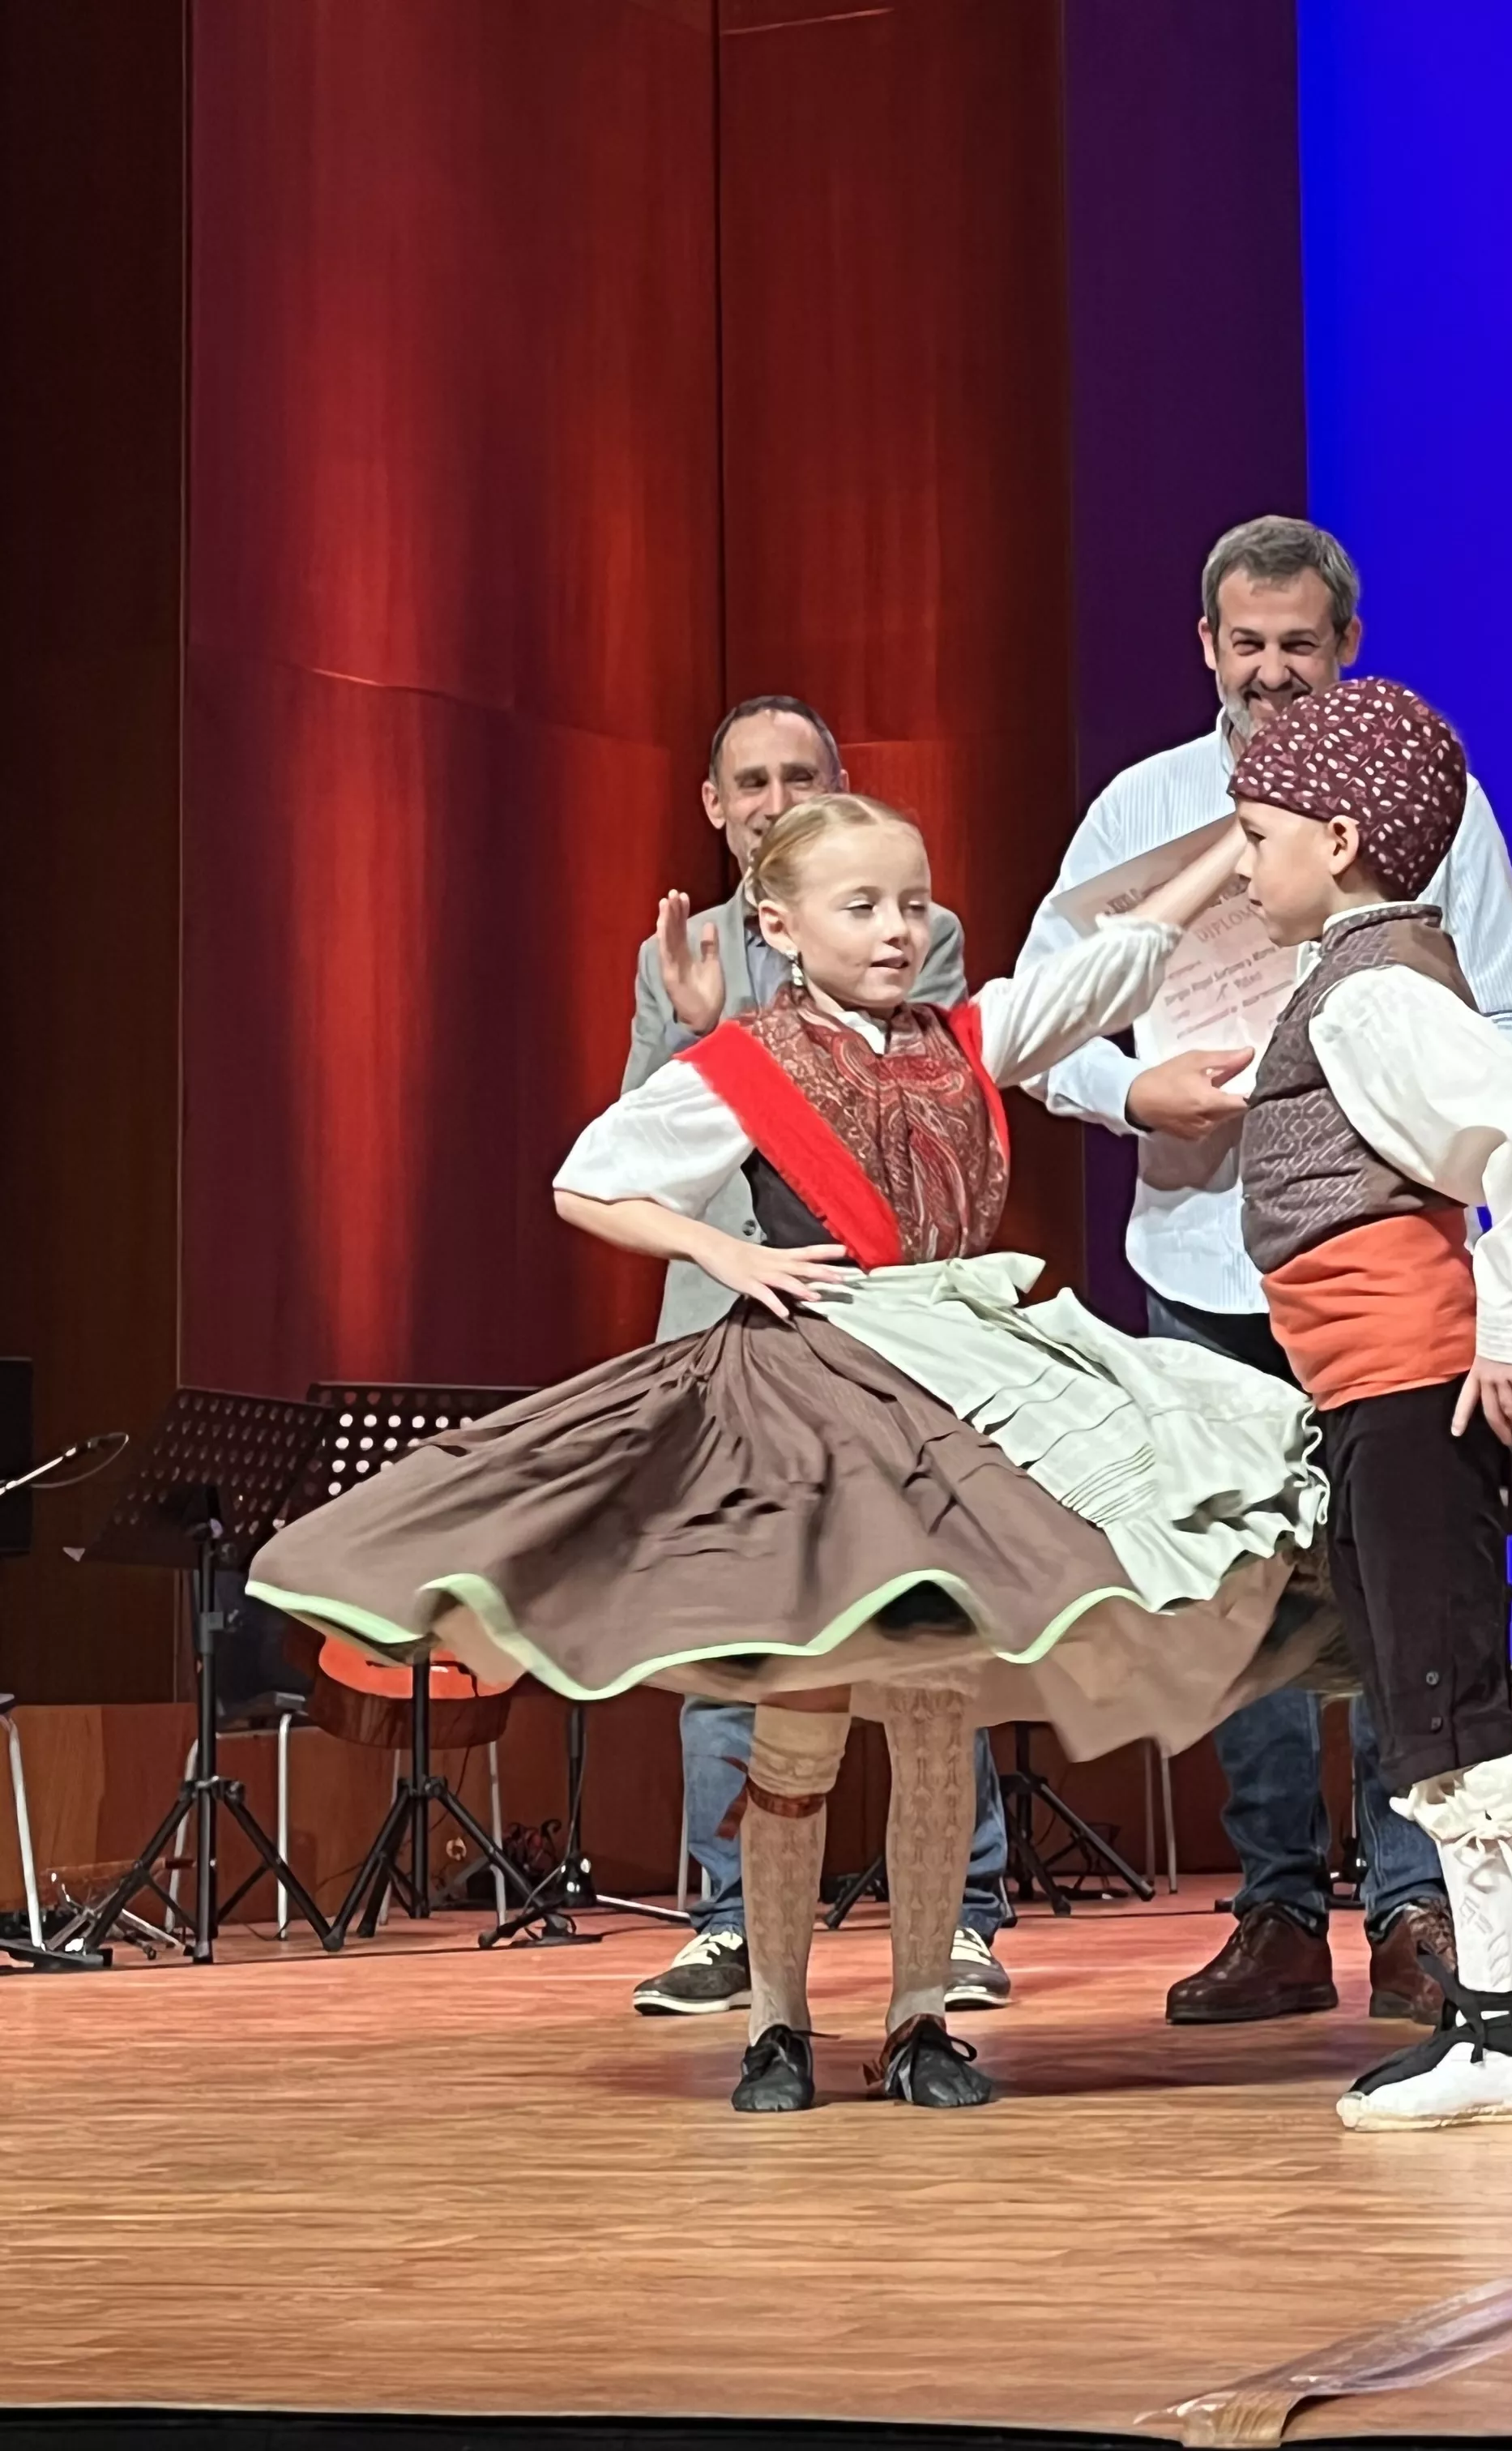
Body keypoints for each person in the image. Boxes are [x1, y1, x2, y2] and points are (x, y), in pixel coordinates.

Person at [250, 798, 1330, 2111]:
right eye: (860, 905)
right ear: (780, 923)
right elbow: (590, 1176)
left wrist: (1232, 836)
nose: (895, 928)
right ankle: (776, 2018)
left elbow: (1114, 958)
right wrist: (726, 1249)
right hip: (813, 1408)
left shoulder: (967, 1042)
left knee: (938, 1719)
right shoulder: (748, 1064)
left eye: (913, 903)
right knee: (802, 1719)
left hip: (953, 1405)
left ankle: (924, 2014)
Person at [1020, 519, 1512, 2031]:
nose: (1269, 669)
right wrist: (1143, 1095)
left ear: (1345, 645)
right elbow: (1042, 1018)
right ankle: (1272, 1906)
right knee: (1236, 1596)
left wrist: (1366, 1079)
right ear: (1204, 644)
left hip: (1378, 1263)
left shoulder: (1426, 807)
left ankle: (1410, 1907)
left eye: (1298, 645)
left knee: (1404, 1602)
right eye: (1243, 643)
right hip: (1204, 1255)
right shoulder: (1144, 809)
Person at [1225, 678, 1512, 2128]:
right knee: (1413, 1699)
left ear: (1341, 833)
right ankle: (1490, 2031)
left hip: (1412, 1385)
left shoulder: (1376, 985)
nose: (1242, 862)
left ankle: (1502, 2036)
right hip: (1364, 1387)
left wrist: (1505, 1327)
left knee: (1444, 1704)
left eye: (1257, 834)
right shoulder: (1353, 968)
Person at [621, 695, 1015, 2022]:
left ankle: (951, 1932)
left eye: (801, 775)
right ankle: (739, 1933)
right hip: (739, 1321)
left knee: (927, 1637)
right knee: (751, 1648)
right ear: (715, 805)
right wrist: (692, 1022)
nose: (775, 796)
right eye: (751, 780)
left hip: (888, 1319)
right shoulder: (680, 951)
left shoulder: (909, 927)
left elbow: (927, 1087)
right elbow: (644, 1141)